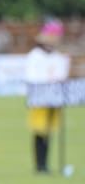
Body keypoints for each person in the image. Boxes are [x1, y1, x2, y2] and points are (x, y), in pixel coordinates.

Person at [25, 19, 70, 174]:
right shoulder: (35, 56)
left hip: (54, 98)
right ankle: (40, 164)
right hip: (40, 98)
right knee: (40, 131)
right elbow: (32, 76)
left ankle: (45, 164)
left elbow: (62, 75)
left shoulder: (58, 57)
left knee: (49, 131)